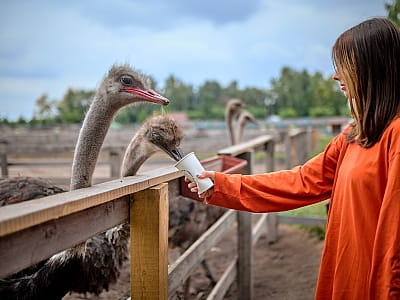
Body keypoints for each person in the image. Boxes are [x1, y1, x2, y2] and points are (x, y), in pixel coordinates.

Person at [186, 18, 400, 299]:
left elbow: (394, 244)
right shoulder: (354, 136)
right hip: (347, 279)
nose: (336, 76)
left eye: (345, 64)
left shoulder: (395, 137)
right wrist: (221, 185)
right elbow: (301, 182)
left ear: (373, 68)